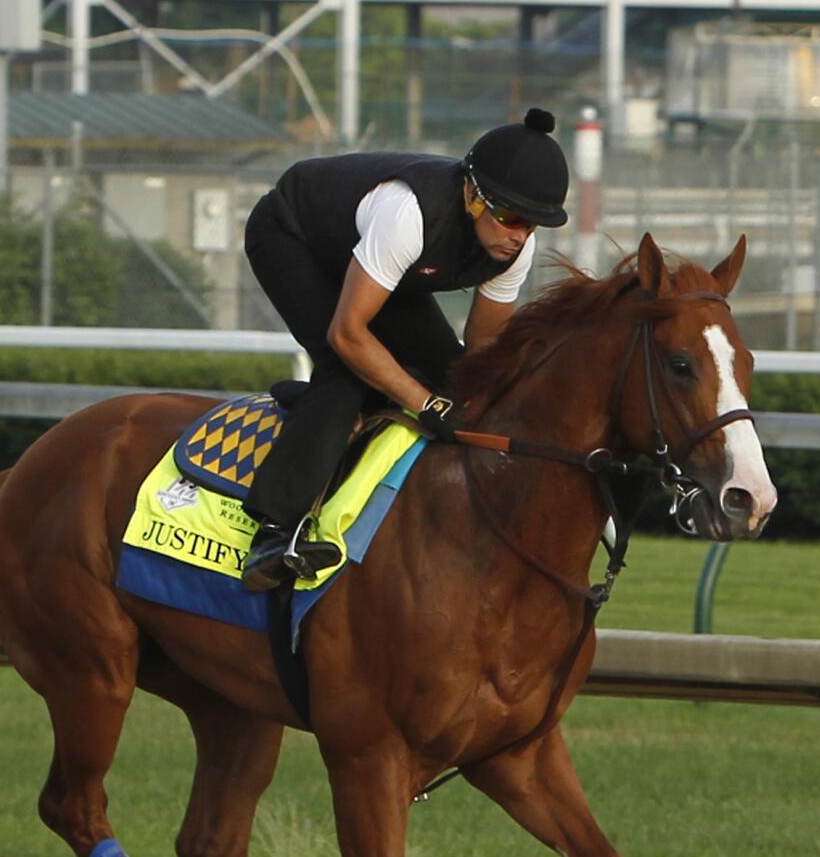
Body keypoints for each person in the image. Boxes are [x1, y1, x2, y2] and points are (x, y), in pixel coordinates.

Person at [239, 107, 571, 592]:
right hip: (294, 238)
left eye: (534, 224)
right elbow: (348, 334)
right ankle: (273, 535)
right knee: (348, 371)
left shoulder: (515, 249)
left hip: (372, 266)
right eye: (511, 217)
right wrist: (424, 403)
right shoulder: (408, 214)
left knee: (451, 375)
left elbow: (482, 353)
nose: (519, 235)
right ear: (471, 195)